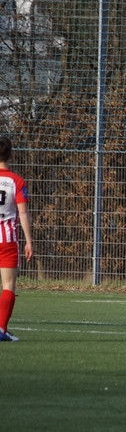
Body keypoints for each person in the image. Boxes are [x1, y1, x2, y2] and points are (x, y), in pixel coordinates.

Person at [0, 137, 33, 342]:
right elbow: (23, 213)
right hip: (7, 240)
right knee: (8, 284)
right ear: (11, 155)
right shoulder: (16, 181)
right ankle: (1, 330)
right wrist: (29, 241)